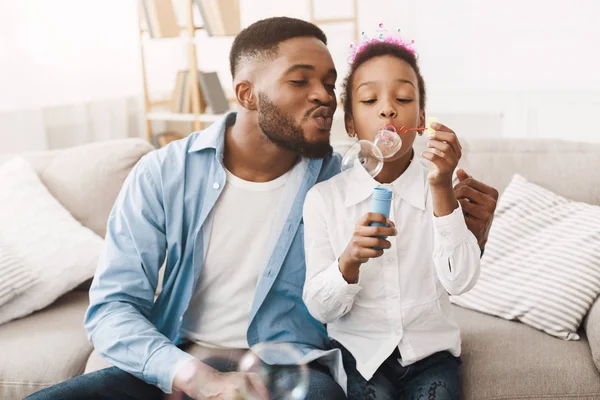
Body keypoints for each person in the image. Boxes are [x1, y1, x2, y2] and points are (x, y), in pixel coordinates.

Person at [26, 17, 498, 400]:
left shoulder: (344, 181)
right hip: (182, 360)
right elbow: (112, 308)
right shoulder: (163, 174)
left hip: (287, 370)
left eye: (330, 84)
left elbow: (417, 244)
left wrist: (467, 226)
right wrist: (189, 376)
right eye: (300, 81)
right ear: (248, 94)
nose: (323, 96)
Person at [302, 36, 489, 400]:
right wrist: (348, 262)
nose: (387, 110)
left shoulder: (443, 185)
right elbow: (319, 307)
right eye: (370, 100)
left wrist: (440, 188)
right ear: (351, 124)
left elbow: (461, 281)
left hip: (431, 355)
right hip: (360, 355)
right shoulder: (324, 199)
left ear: (420, 120)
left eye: (403, 99)